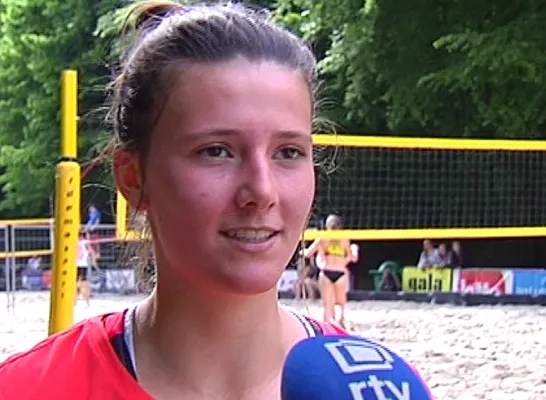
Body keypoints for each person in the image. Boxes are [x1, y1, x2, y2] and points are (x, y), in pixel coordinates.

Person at [0, 2, 430, 399]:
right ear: (133, 178)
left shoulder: (377, 388)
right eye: (216, 151)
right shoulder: (31, 388)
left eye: (288, 152)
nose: (262, 191)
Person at [303, 214, 358, 329]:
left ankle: (328, 330)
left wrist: (301, 250)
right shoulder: (344, 239)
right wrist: (354, 250)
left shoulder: (322, 238)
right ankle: (340, 323)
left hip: (326, 272)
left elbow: (307, 254)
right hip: (340, 272)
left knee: (328, 307)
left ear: (327, 226)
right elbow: (352, 258)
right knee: (341, 304)